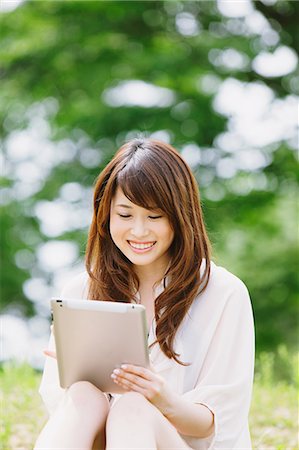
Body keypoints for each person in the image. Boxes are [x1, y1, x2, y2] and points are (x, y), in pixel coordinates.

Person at [35, 138, 255, 450]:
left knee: (134, 407)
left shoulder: (223, 293)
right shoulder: (81, 290)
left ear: (179, 216)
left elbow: (217, 424)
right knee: (83, 394)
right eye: (124, 215)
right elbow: (64, 412)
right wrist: (74, 373)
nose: (139, 232)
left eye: (154, 217)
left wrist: (160, 398)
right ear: (105, 216)